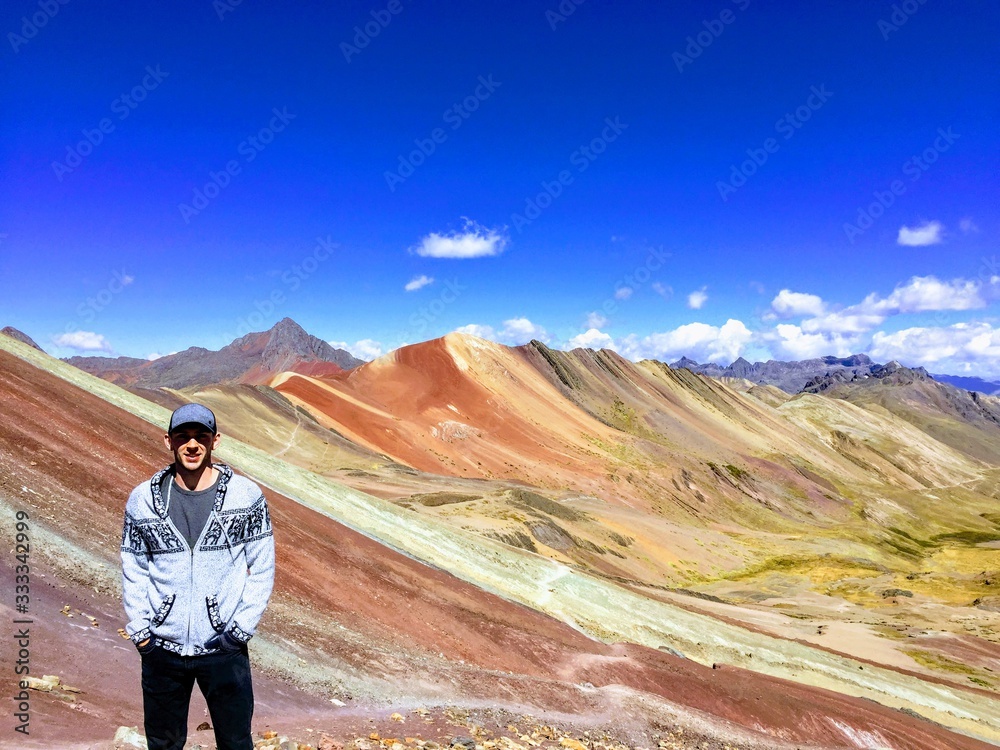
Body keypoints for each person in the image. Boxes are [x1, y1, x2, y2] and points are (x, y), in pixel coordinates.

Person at [120, 403, 275, 750]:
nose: (192, 444)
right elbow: (134, 566)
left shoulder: (246, 497)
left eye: (201, 436)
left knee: (235, 741)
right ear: (168, 441)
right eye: (183, 436)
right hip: (162, 647)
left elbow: (262, 568)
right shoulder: (142, 500)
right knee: (163, 742)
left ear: (215, 441)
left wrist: (239, 632)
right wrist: (143, 632)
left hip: (223, 646)